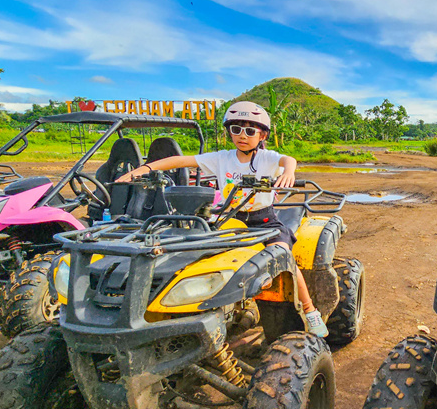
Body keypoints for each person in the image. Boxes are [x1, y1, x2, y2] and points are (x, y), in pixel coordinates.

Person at [116, 101, 329, 338]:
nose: (242, 136)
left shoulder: (267, 158)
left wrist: (289, 172)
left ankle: (310, 311)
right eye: (236, 129)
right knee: (202, 257)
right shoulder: (221, 158)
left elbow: (287, 160)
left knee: (283, 255)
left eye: (250, 131)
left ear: (263, 134)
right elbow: (179, 161)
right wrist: (141, 170)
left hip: (264, 221)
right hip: (229, 218)